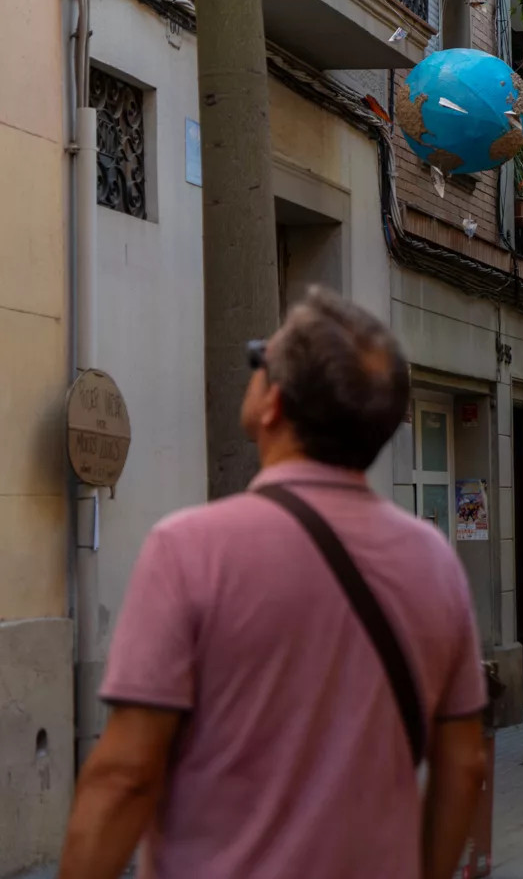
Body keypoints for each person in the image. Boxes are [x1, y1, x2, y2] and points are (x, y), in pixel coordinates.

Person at [59, 288, 488, 879]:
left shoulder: (189, 549)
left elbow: (126, 776)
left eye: (260, 357)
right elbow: (464, 764)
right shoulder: (434, 562)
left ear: (273, 405)